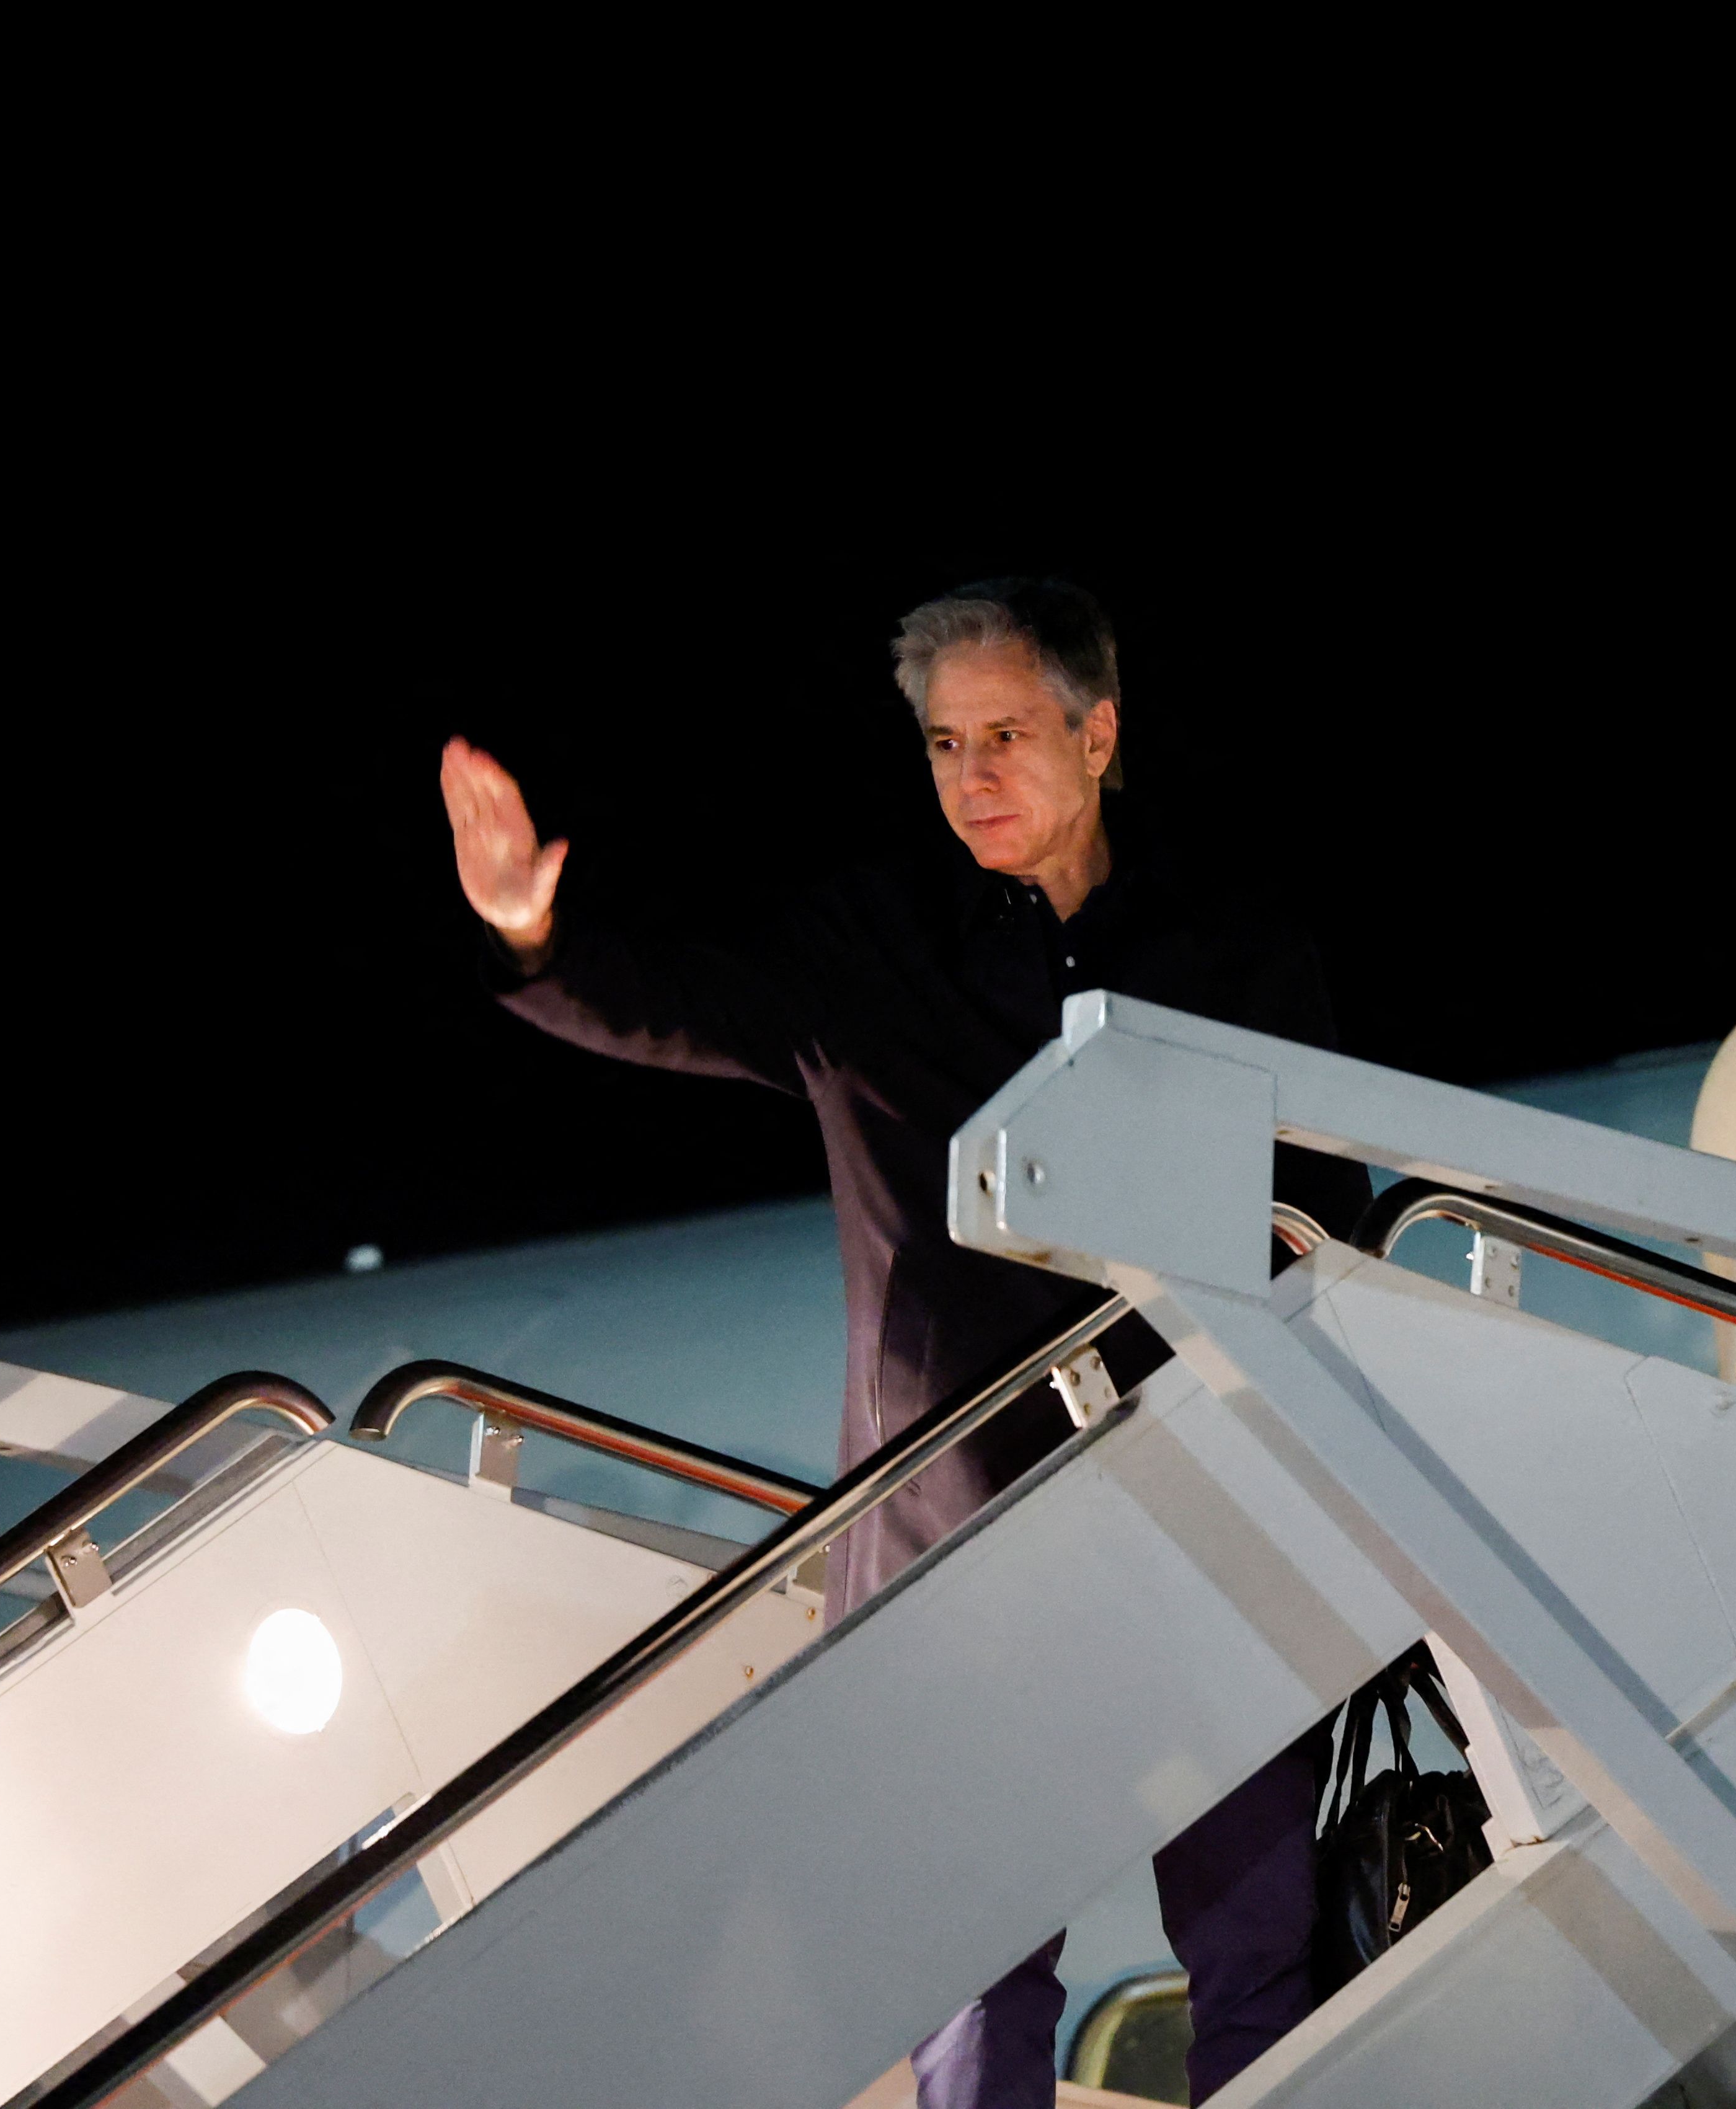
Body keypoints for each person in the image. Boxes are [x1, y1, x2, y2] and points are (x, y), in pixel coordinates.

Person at [437, 577, 1368, 2108]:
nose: (973, 776)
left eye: (1005, 734)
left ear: (1100, 730)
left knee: (1258, 1953)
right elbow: (664, 1005)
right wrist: (529, 929)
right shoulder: (869, 948)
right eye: (944, 744)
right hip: (963, 1543)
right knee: (974, 1967)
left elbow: (1329, 1208)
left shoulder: (1232, 945)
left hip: (1207, 1520)